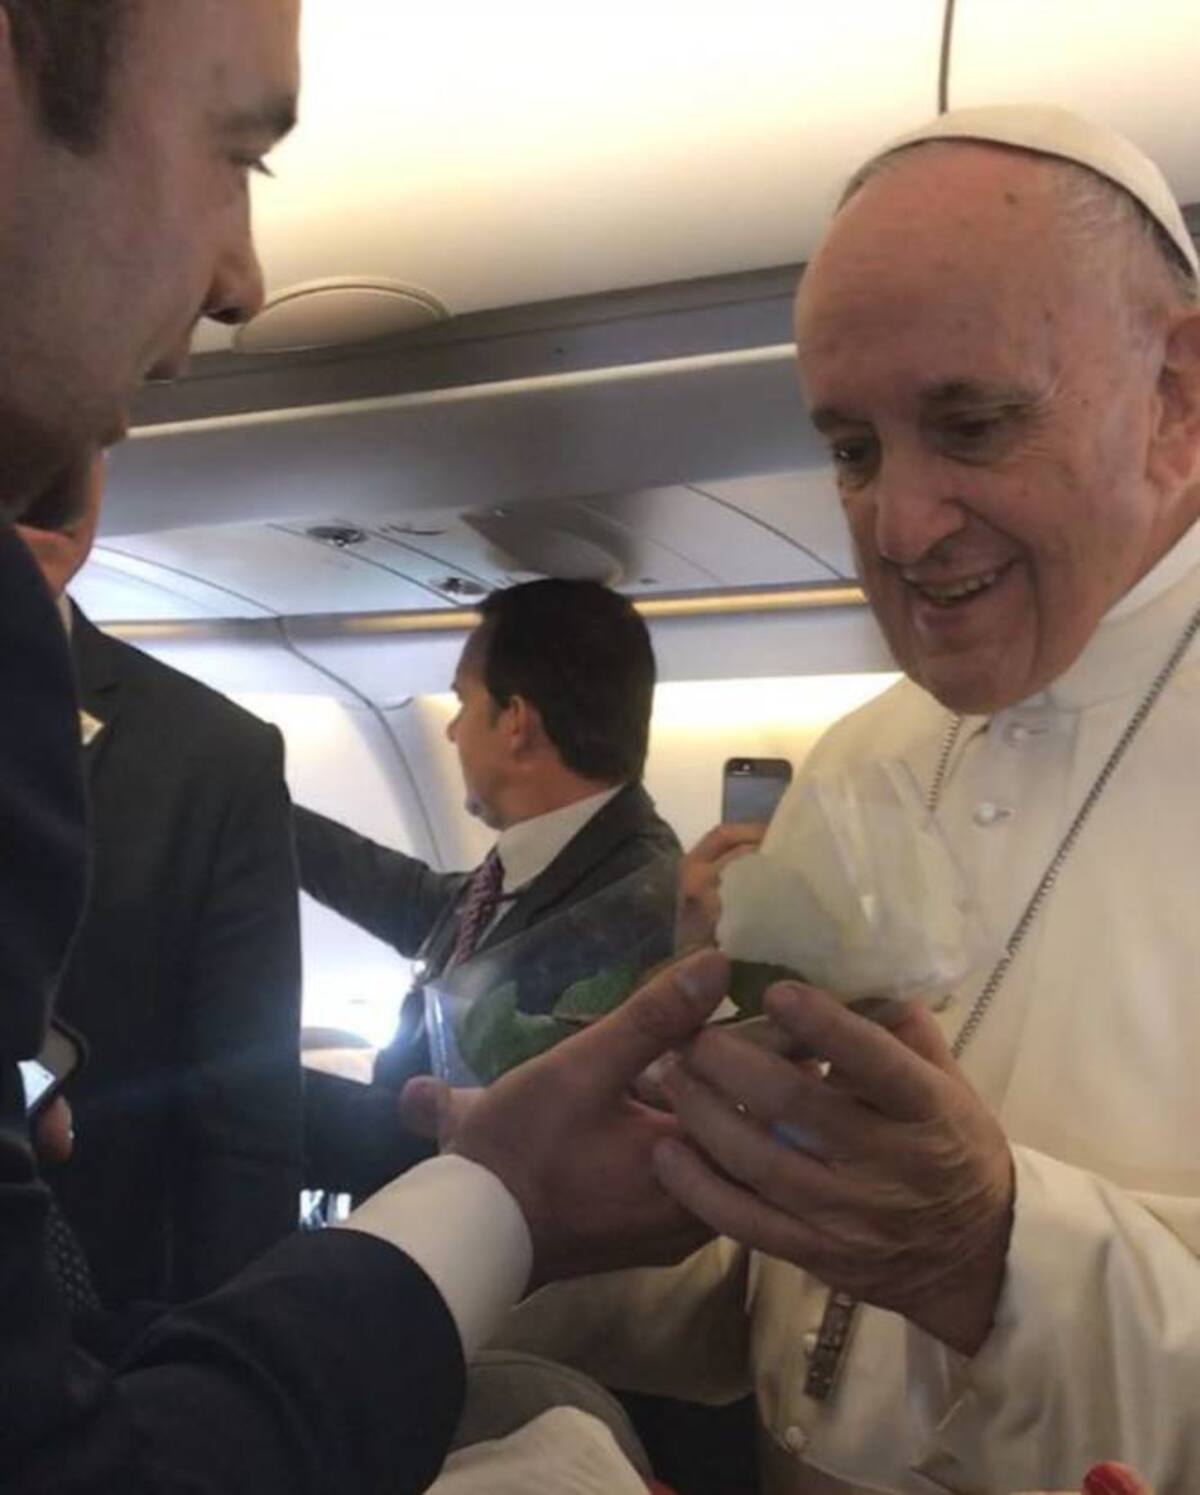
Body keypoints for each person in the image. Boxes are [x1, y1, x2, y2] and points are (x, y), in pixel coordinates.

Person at [0, 1, 726, 1488]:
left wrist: (468, 1164)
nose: (246, 279)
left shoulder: (625, 896)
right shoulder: (499, 878)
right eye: (237, 150)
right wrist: (487, 1180)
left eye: (461, 698)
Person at [486, 106, 1200, 1494]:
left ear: (1177, 392)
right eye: (852, 449)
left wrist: (997, 1252)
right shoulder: (863, 757)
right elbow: (784, 1311)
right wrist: (547, 1212)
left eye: (974, 424)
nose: (899, 526)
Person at [18, 464, 303, 1310]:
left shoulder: (211, 758)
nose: (55, 472)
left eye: (92, 437)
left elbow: (245, 1136)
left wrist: (227, 1390)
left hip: (91, 1349)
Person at [297, 577, 680, 1192]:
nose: (451, 732)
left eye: (463, 703)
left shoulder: (628, 903)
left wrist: (257, 1109)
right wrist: (255, 806)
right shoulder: (547, 867)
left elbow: (473, 1124)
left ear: (516, 722)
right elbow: (413, 899)